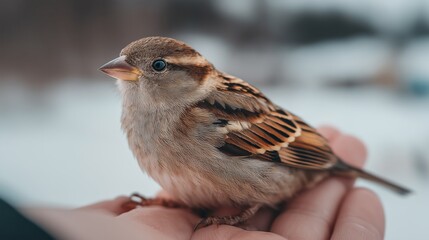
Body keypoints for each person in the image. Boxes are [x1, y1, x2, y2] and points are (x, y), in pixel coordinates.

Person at [1, 127, 384, 240]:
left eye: (157, 67)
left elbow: (281, 148)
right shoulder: (143, 122)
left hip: (285, 169)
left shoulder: (206, 118)